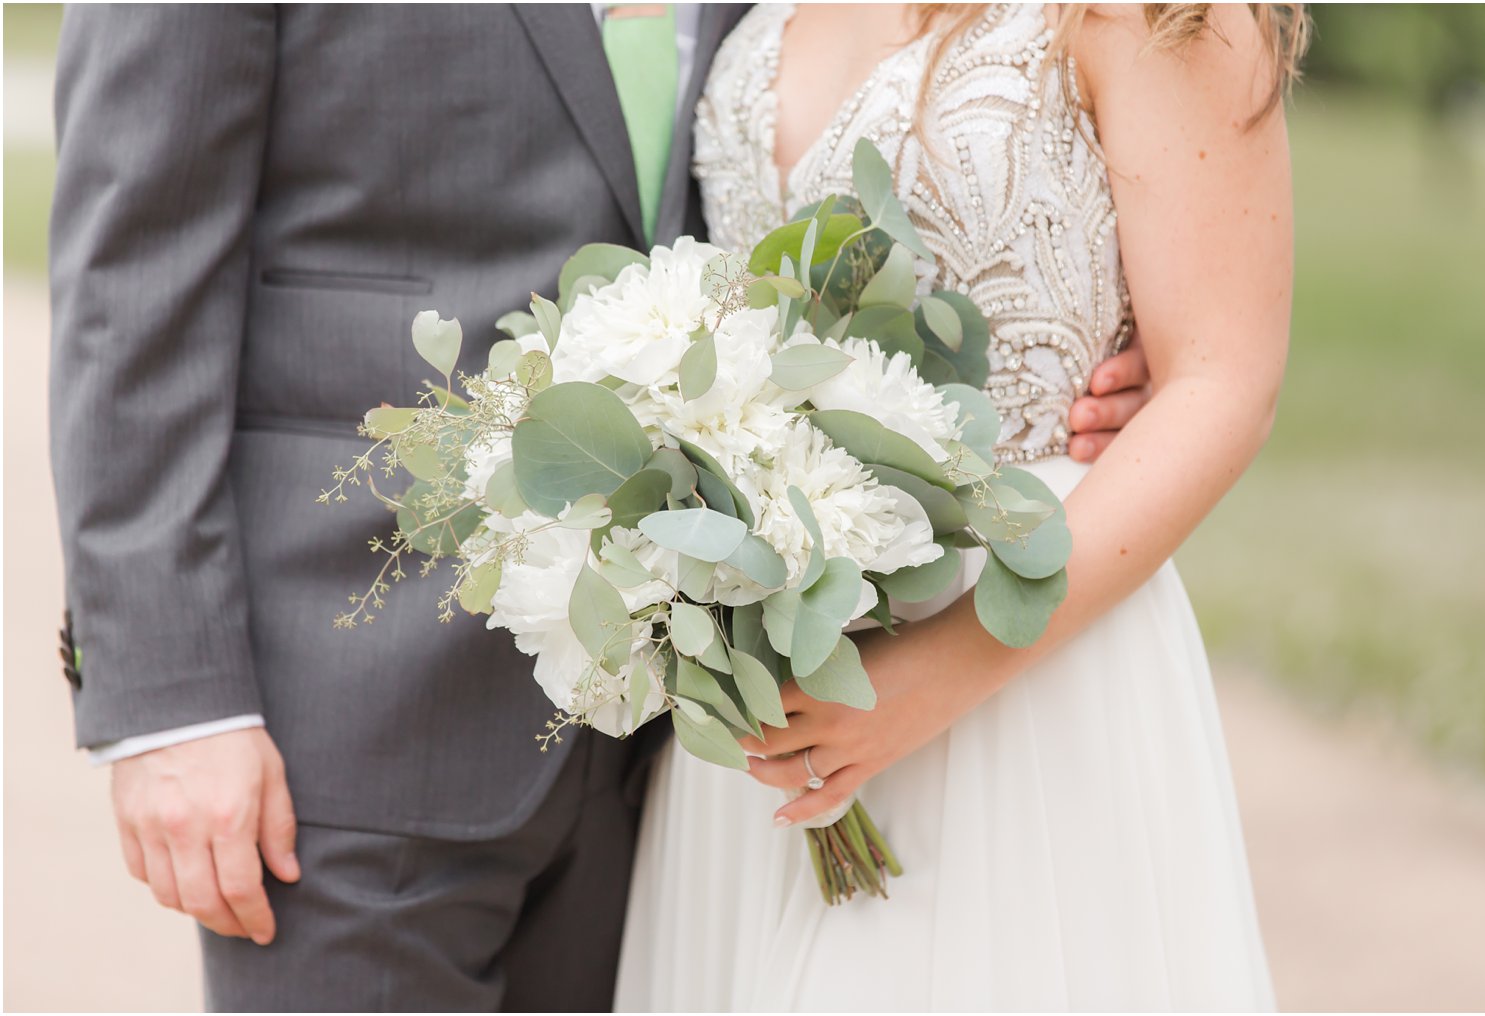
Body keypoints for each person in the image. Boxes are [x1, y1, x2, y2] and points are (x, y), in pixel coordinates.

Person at [47, 4, 1151, 1011]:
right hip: (343, 715)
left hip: (670, 750)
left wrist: (1074, 330)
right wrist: (170, 705)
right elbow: (132, 277)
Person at [615, 3, 1303, 1010]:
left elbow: (1221, 379)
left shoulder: (1158, 18)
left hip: (1029, 666)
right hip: (771, 682)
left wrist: (940, 672)